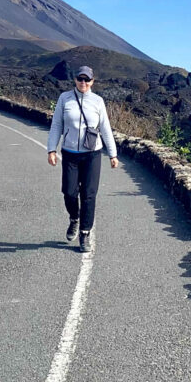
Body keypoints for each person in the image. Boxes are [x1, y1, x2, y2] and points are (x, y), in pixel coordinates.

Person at [46, 65, 118, 253]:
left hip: (92, 154)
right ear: (75, 80)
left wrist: (113, 154)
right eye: (80, 79)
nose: (83, 83)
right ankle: (74, 219)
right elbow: (56, 125)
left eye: (87, 79)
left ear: (92, 81)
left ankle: (84, 234)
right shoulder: (65, 98)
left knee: (89, 194)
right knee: (69, 192)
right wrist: (51, 149)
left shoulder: (98, 101)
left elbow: (105, 128)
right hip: (70, 153)